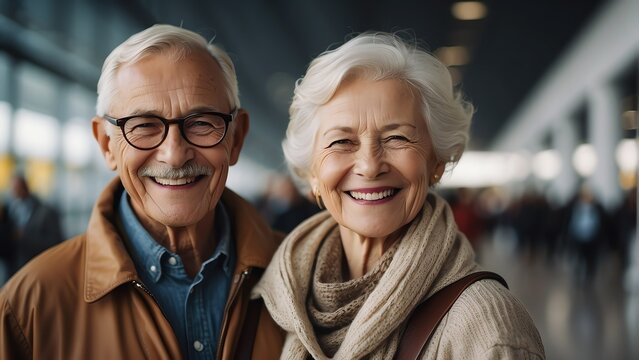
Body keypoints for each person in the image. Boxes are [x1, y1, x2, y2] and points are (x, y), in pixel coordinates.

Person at [253, 32, 545, 359]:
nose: (369, 165)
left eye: (396, 138)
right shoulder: (269, 304)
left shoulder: (489, 331)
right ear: (312, 175)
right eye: (341, 142)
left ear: (437, 162)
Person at [0, 25, 283, 359]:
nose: (175, 154)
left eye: (201, 122)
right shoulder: (29, 307)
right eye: (144, 126)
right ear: (106, 145)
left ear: (236, 138)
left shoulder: (303, 278)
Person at [4, 174, 64, 275]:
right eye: (13, 188)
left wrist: (25, 237)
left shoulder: (45, 211)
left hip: (37, 267)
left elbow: (56, 242)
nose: (13, 192)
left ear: (25, 187)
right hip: (15, 268)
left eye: (16, 188)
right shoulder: (12, 209)